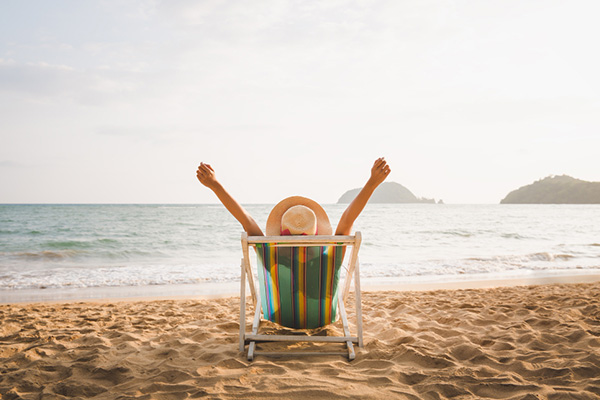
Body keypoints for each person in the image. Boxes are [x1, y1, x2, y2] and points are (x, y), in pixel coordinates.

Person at [196, 157, 391, 236]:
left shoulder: (271, 257)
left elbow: (246, 221)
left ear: (281, 230)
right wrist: (372, 183)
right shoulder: (329, 257)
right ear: (315, 231)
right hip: (321, 316)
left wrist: (215, 185)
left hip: (282, 315)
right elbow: (348, 220)